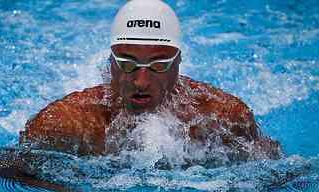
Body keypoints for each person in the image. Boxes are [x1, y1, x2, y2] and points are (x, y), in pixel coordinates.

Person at [18, 0, 281, 165]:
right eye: (127, 63)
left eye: (158, 65)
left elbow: (277, 168)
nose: (141, 81)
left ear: (178, 62)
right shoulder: (68, 122)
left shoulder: (222, 116)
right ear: (110, 62)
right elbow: (1, 165)